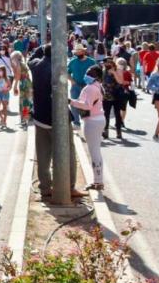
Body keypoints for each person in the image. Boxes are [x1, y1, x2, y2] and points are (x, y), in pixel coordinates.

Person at [29, 45, 85, 200]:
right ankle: (69, 187)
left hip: (40, 117)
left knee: (42, 155)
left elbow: (32, 57)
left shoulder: (35, 66)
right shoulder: (57, 70)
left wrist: (42, 47)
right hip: (57, 117)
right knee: (68, 152)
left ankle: (45, 188)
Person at [70, 65, 106, 191]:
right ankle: (98, 180)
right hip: (97, 119)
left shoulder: (91, 88)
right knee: (96, 151)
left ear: (96, 76)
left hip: (92, 121)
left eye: (89, 73)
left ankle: (98, 181)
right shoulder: (97, 86)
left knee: (94, 151)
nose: (86, 74)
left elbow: (87, 105)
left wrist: (71, 102)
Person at [67, 44, 96, 129]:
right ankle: (76, 123)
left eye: (78, 52)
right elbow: (67, 72)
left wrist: (93, 84)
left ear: (83, 51)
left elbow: (96, 74)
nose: (77, 54)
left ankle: (88, 123)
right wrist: (72, 81)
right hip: (76, 86)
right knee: (74, 104)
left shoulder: (91, 62)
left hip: (88, 87)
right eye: (76, 52)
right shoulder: (72, 62)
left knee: (88, 105)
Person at [101, 58, 127, 139]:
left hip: (116, 95)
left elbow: (120, 82)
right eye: (106, 64)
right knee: (106, 114)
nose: (108, 65)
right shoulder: (103, 71)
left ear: (113, 63)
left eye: (110, 63)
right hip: (106, 95)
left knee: (117, 114)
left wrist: (114, 73)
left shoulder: (118, 70)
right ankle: (105, 131)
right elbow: (101, 82)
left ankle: (118, 132)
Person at [11, 51, 33, 130]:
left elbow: (17, 76)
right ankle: (25, 119)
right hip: (27, 83)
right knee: (26, 102)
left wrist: (15, 86)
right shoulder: (22, 63)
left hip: (24, 84)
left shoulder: (18, 64)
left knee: (24, 103)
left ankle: (24, 120)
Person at [0, 64, 12, 129]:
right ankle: (2, 119)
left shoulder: (7, 78)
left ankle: (4, 121)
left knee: (4, 108)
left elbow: (10, 86)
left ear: (3, 71)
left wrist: (7, 90)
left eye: (0, 70)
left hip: (5, 93)